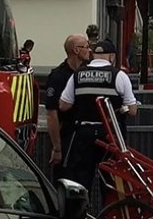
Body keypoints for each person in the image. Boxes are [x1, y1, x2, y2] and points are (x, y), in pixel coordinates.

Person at [59, 40, 138, 193]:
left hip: (83, 135)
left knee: (80, 182)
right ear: (112, 57)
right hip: (110, 136)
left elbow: (63, 105)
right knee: (112, 182)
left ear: (94, 55)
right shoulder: (119, 76)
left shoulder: (78, 75)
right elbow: (132, 110)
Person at [44, 34, 91, 182]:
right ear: (76, 50)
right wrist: (57, 147)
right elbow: (52, 113)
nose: (90, 50)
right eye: (86, 46)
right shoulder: (58, 77)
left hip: (84, 138)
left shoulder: (86, 74)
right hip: (67, 137)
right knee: (65, 180)